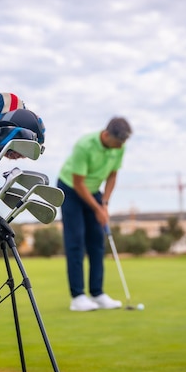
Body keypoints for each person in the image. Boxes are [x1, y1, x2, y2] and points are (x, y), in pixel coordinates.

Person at [57, 117, 132, 311]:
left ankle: (97, 293)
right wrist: (97, 208)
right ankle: (78, 297)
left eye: (121, 144)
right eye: (116, 143)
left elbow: (113, 175)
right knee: (76, 241)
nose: (119, 148)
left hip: (94, 191)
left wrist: (104, 204)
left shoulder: (119, 147)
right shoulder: (85, 146)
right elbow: (79, 183)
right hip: (71, 190)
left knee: (97, 241)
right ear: (106, 135)